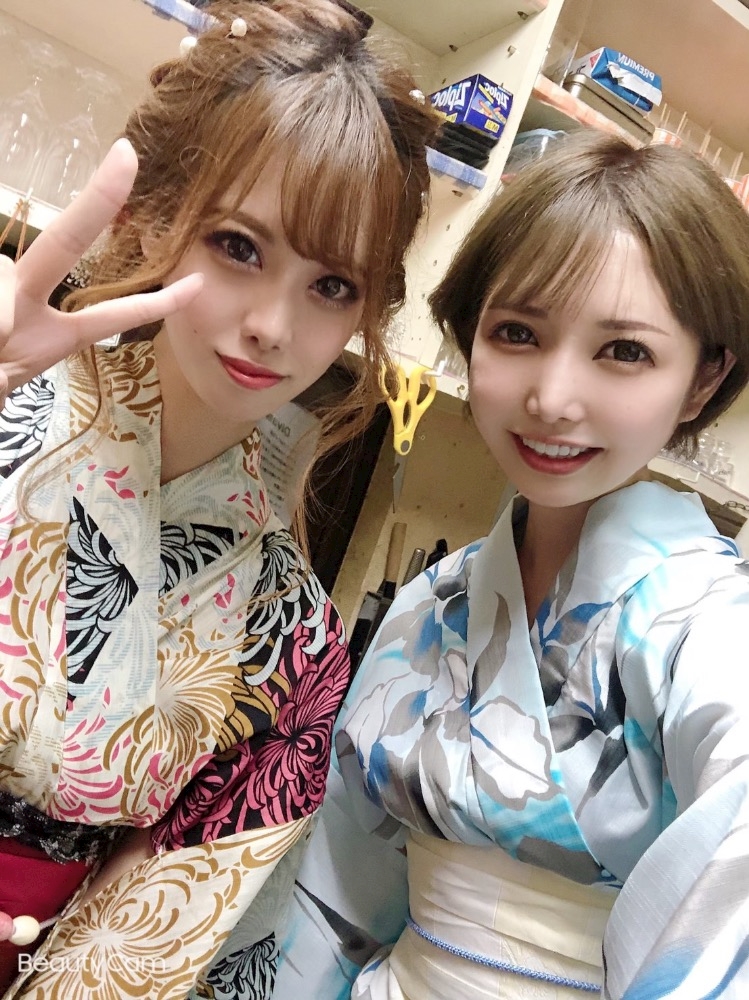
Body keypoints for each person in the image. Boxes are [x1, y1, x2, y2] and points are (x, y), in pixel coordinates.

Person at [0, 1, 438, 996]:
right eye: (240, 246)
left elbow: (146, 945)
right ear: (150, 213)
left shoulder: (295, 637)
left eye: (332, 285)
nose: (273, 325)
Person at [272, 131, 749, 1000]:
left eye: (624, 350)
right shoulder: (432, 603)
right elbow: (333, 885)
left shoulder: (711, 623)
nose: (551, 399)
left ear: (702, 381)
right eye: (517, 333)